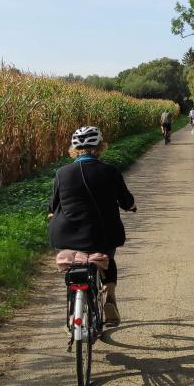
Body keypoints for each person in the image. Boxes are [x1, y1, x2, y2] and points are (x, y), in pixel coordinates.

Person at [48, 125, 136, 325]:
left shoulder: (62, 173)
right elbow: (125, 200)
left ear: (75, 149)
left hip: (67, 235)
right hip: (102, 235)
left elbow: (53, 206)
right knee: (106, 259)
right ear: (100, 147)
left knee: (73, 265)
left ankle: (73, 308)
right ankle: (109, 297)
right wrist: (132, 206)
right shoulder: (109, 171)